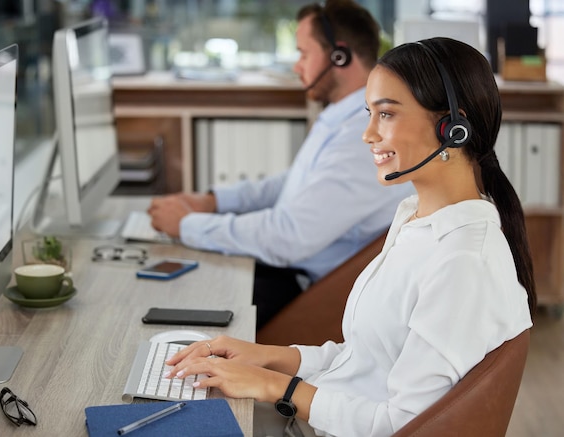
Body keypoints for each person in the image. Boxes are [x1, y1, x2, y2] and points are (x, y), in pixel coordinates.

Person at [162, 37, 536, 436]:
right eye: (368, 114)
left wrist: (274, 386)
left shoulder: (463, 261)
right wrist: (263, 357)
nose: (368, 134)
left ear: (452, 128)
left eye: (386, 114)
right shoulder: (416, 218)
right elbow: (364, 362)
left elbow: (402, 424)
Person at [148, 0, 413, 330]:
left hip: (302, 288)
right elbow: (294, 183)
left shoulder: (362, 138)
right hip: (287, 269)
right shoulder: (344, 119)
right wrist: (214, 201)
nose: (296, 67)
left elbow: (288, 236)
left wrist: (189, 225)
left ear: (339, 56)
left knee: (177, 298)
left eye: (303, 54)